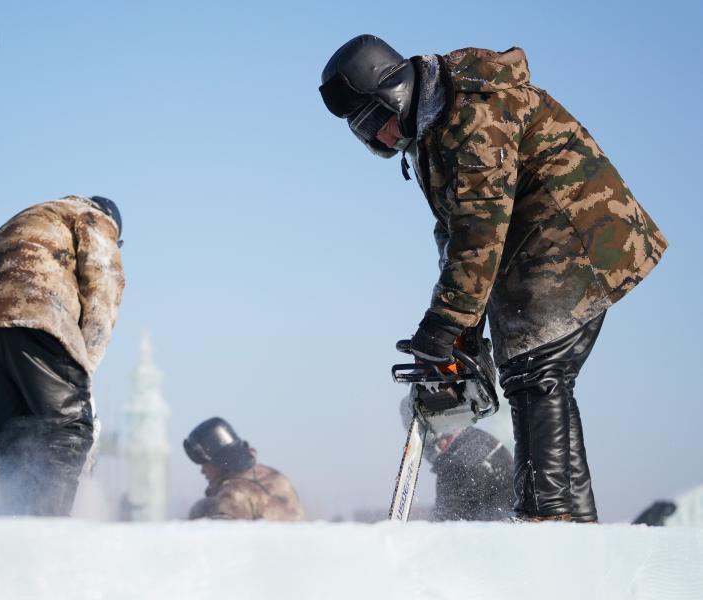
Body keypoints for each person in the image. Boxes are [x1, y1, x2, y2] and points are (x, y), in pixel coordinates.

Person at [320, 36, 667, 522]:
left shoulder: (473, 113)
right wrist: (461, 328)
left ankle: (549, 518)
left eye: (376, 121)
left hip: (577, 231)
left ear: (394, 92)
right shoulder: (431, 135)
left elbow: (479, 230)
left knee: (536, 371)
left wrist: (443, 324)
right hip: (533, 243)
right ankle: (575, 526)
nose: (377, 137)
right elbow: (453, 232)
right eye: (363, 132)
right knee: (538, 374)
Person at [0, 194, 125, 516]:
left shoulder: (35, 217)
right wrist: (82, 369)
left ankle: (17, 520)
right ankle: (49, 533)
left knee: (16, 438)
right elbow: (104, 288)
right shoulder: (93, 218)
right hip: (36, 314)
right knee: (69, 426)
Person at [184, 417, 304, 521]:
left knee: (201, 508)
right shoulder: (277, 477)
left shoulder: (232, 495)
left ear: (218, 463)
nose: (202, 471)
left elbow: (222, 542)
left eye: (205, 464)